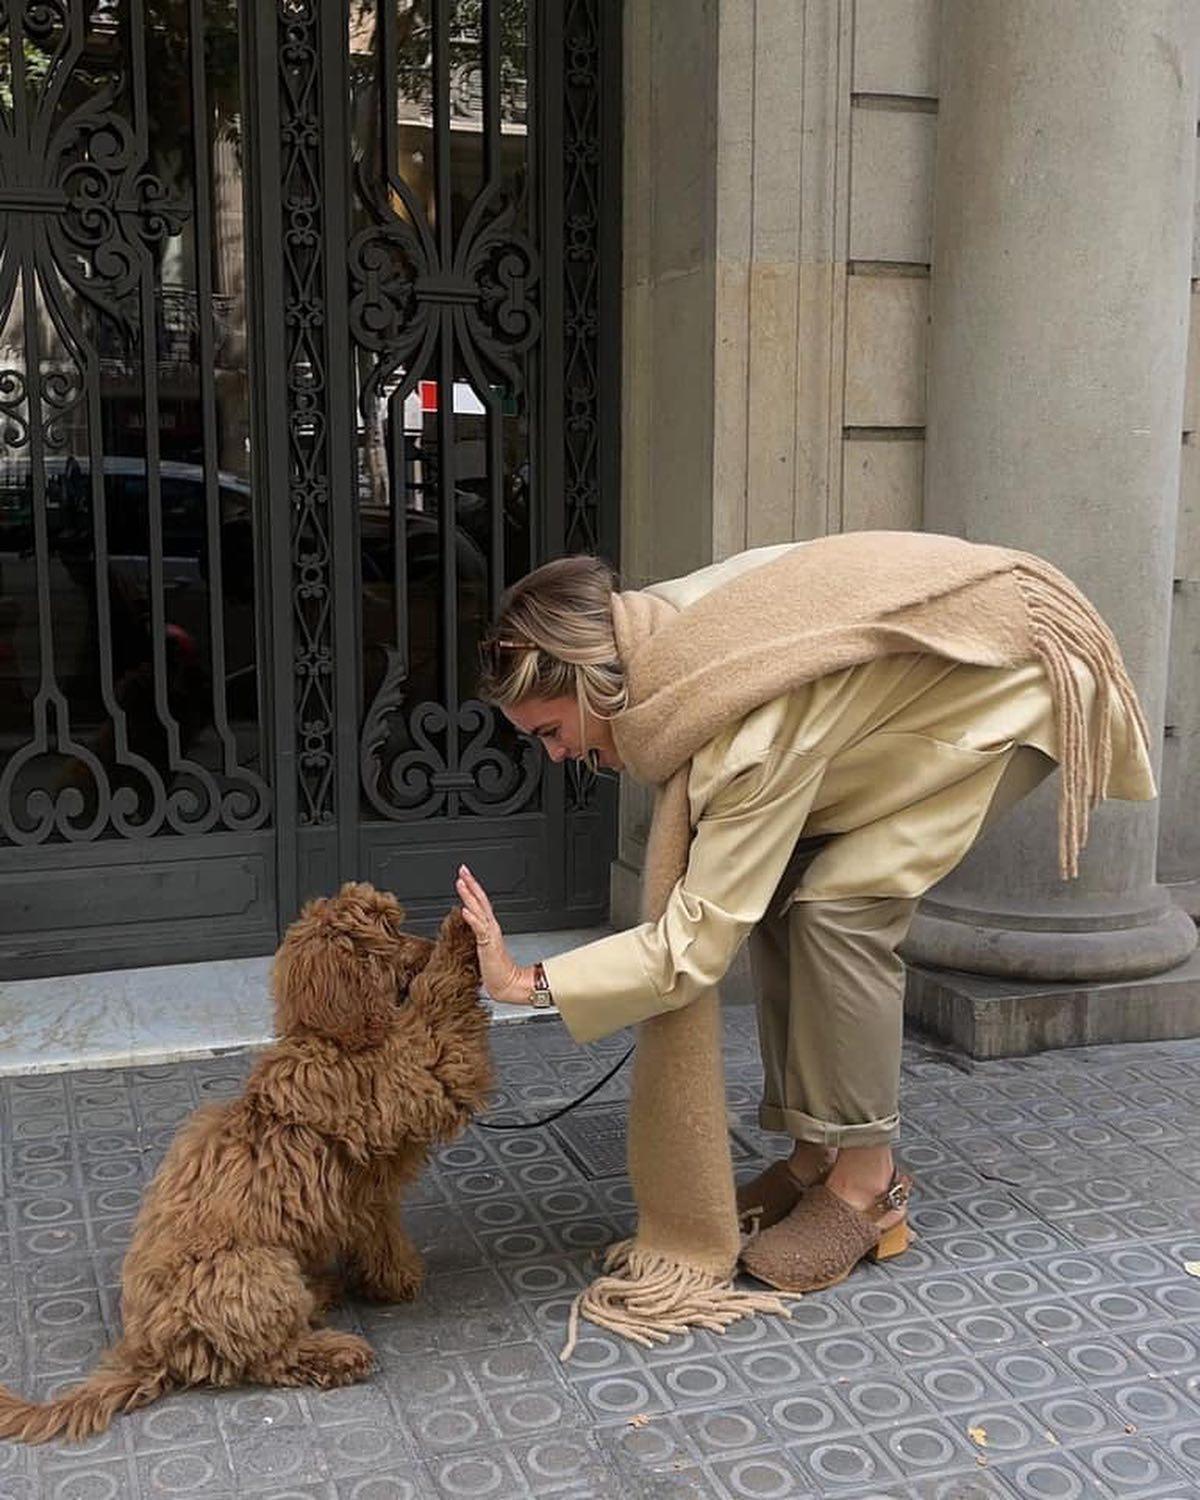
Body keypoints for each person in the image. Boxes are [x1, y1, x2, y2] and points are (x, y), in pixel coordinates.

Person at [456, 539, 1156, 1294]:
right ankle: (816, 1155)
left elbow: (693, 946)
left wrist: (526, 982)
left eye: (550, 733)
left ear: (592, 688)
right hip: (947, 656)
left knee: (841, 912)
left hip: (1015, 674)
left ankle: (869, 1186)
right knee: (782, 889)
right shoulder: (646, 637)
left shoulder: (742, 735)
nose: (557, 756)